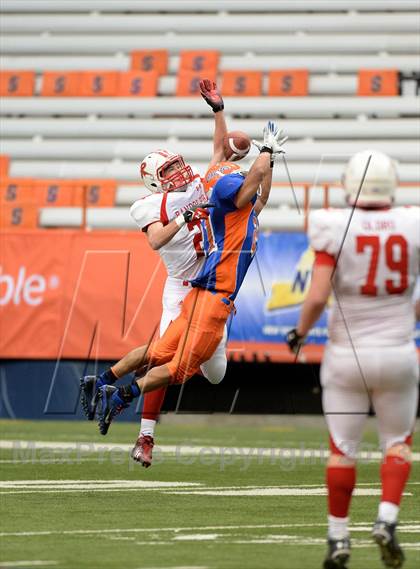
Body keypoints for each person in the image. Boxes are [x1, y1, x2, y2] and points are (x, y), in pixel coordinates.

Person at [80, 79, 273, 467]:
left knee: (214, 373)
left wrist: (218, 110)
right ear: (154, 180)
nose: (178, 172)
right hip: (184, 286)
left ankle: (101, 382)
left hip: (210, 284)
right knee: (165, 359)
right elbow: (155, 240)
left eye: (175, 164)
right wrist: (187, 214)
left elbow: (221, 151)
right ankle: (144, 435)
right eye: (167, 170)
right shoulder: (150, 205)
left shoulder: (200, 183)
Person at [286, 150, 419, 569]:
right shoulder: (412, 222)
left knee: (342, 448)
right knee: (396, 443)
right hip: (398, 351)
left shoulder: (332, 223)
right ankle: (386, 518)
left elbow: (318, 294)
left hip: (347, 354)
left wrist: (299, 333)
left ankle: (338, 538)